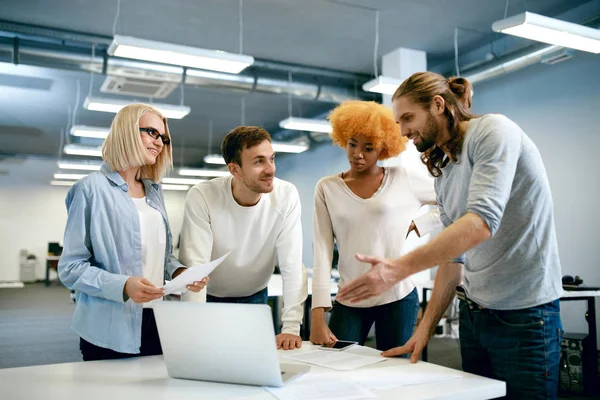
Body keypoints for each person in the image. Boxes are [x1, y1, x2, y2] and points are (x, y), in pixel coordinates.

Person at [337, 72, 563, 399]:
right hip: (475, 317)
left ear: (438, 105)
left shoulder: (493, 131)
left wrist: (398, 268)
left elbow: (481, 222)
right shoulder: (444, 174)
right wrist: (424, 330)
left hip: (526, 317)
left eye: (408, 118)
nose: (402, 132)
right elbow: (453, 259)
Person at [58, 104, 207, 361]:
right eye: (151, 132)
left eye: (163, 137)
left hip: (155, 320)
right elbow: (70, 268)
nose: (159, 142)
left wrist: (180, 273)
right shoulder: (90, 190)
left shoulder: (154, 193)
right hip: (108, 326)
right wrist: (123, 286)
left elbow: (160, 255)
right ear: (126, 131)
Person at [310, 100, 441, 352]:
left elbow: (454, 200)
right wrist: (317, 314)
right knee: (338, 369)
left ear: (383, 148)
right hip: (350, 297)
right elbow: (322, 251)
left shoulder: (403, 178)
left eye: (368, 148)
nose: (358, 154)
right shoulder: (327, 188)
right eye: (352, 144)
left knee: (394, 375)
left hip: (397, 295)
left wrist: (421, 223)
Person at [179, 126, 307, 350]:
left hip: (255, 297)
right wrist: (193, 329)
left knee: (253, 367)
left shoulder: (286, 195)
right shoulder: (203, 196)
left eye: (272, 159)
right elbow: (195, 269)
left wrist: (291, 327)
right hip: (209, 299)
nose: (270, 170)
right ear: (235, 169)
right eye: (259, 162)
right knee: (208, 363)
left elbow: (292, 264)